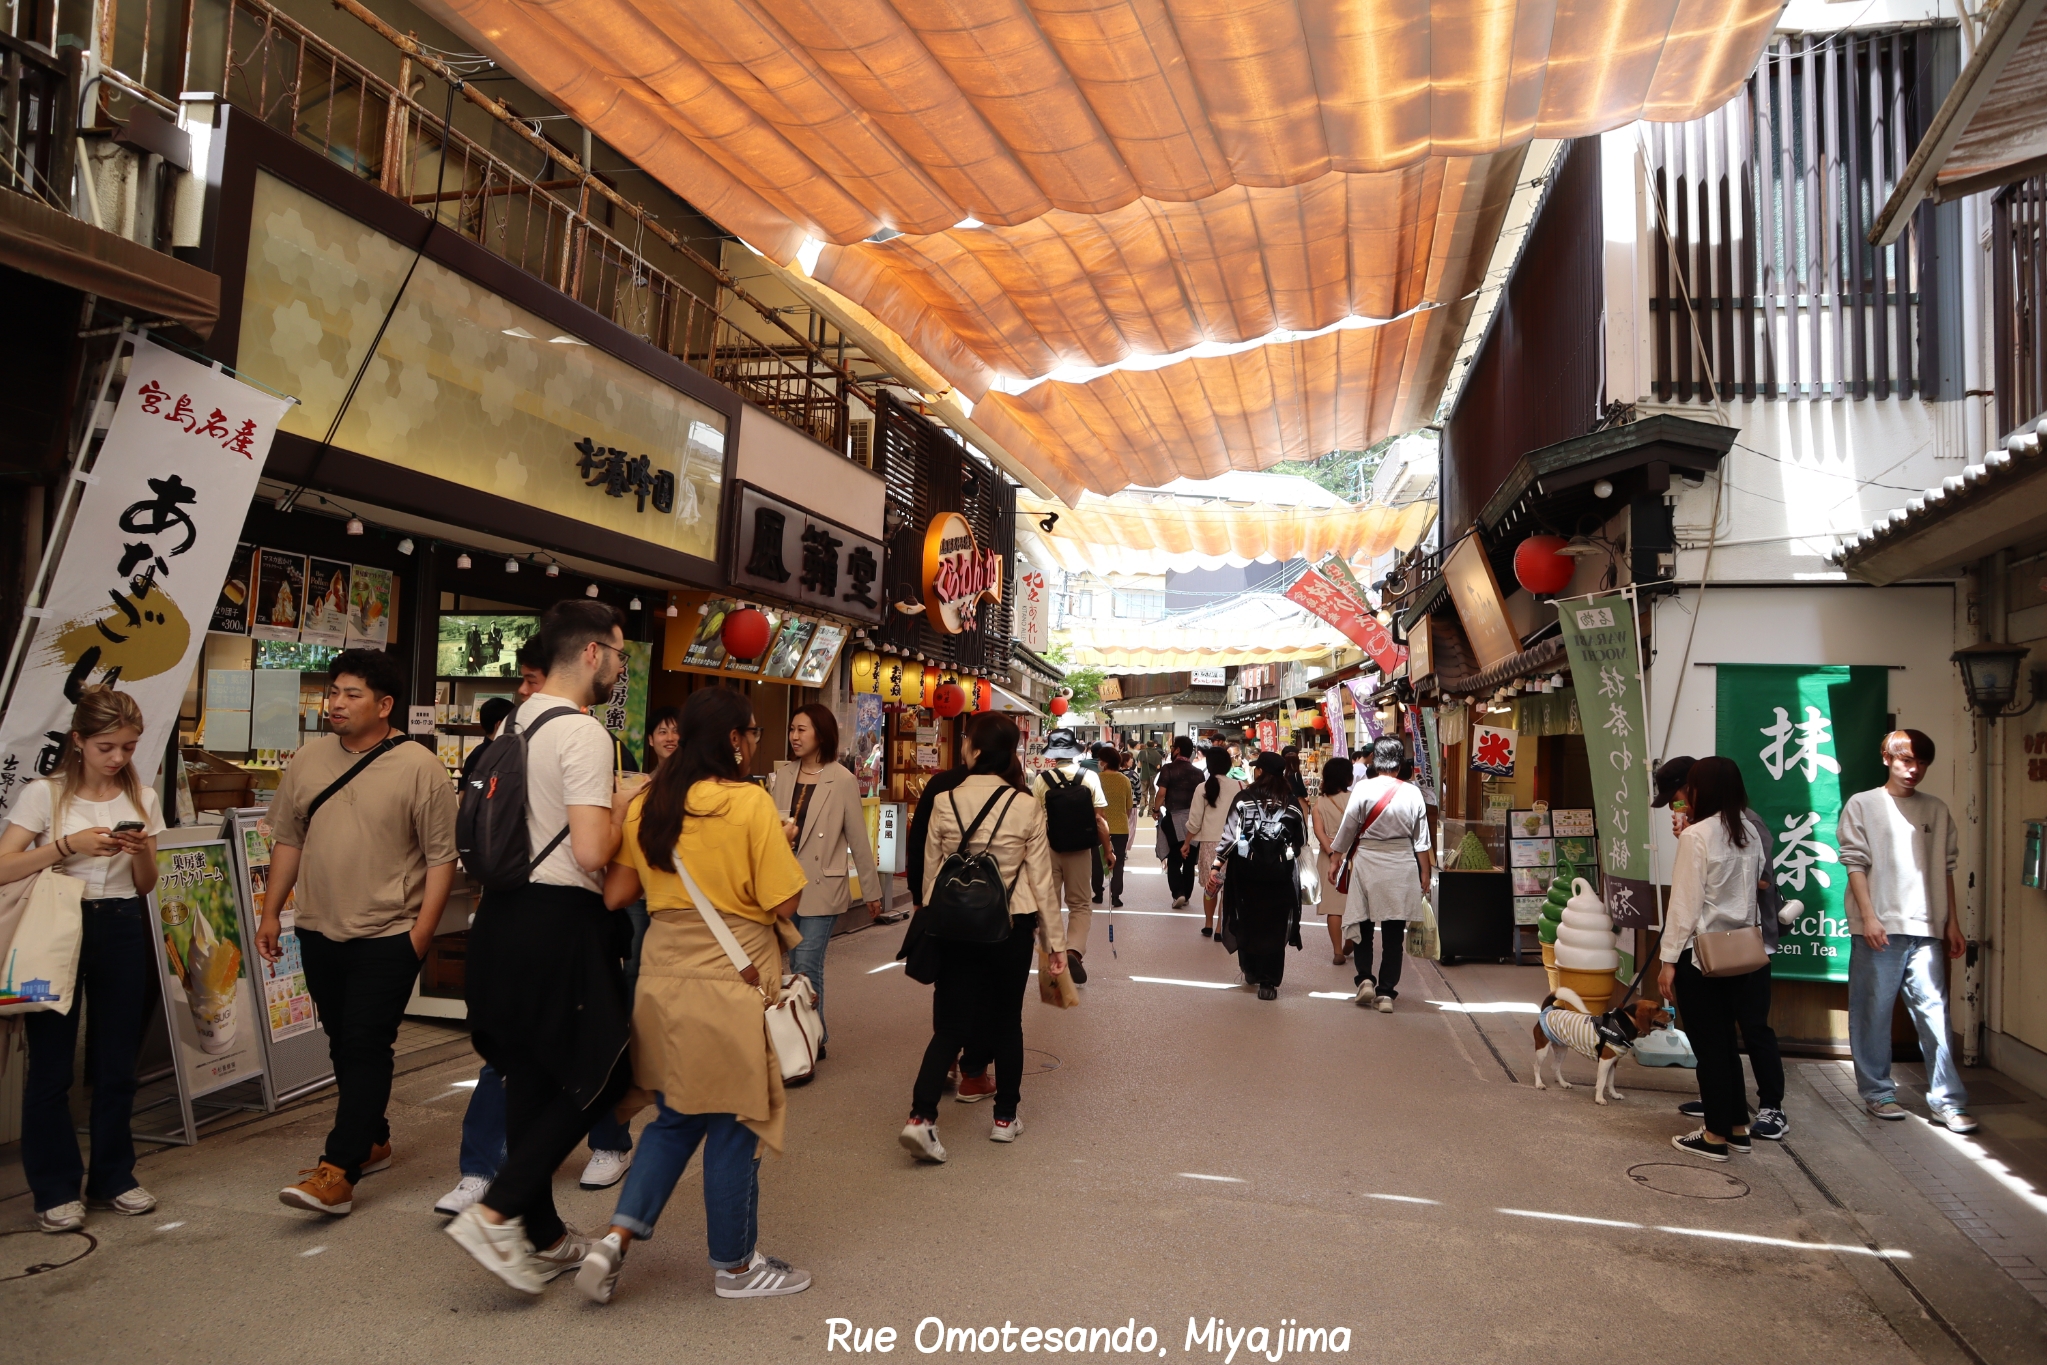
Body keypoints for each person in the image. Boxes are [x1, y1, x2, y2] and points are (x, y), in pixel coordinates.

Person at [574, 688, 813, 1304]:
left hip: (661, 977)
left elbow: (616, 895)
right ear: (733, 740)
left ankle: (615, 1239)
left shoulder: (649, 802)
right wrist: (775, 845)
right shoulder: (750, 803)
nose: (758, 742)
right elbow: (785, 902)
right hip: (732, 983)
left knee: (676, 1118)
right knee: (736, 1118)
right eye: (754, 733)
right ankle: (736, 1266)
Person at [445, 599, 634, 1293]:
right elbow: (590, 852)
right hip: (559, 924)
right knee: (606, 1071)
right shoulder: (584, 734)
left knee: (530, 1074)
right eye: (618, 656)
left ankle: (543, 1233)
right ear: (590, 655)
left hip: (498, 919)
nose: (619, 669)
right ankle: (496, 1212)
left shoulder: (515, 720)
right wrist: (626, 807)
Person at [260, 649, 457, 1216]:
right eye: (334, 692)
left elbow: (442, 859)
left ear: (384, 704)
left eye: (351, 694)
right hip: (319, 927)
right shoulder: (307, 760)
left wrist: (421, 935)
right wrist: (274, 913)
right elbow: (288, 840)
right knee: (344, 1041)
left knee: (367, 1042)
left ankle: (339, 1169)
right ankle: (373, 1139)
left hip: (389, 933)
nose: (336, 703)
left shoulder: (420, 766)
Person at [0, 686, 163, 1233]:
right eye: (107, 747)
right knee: (50, 1065)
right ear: (78, 741)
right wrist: (69, 846)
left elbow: (146, 886)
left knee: (117, 1063)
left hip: (120, 923)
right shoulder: (44, 795)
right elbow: (4, 867)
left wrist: (139, 854)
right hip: (55, 925)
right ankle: (53, 1187)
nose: (119, 758)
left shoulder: (142, 796)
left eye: (129, 747)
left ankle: (114, 1176)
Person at [900, 713, 1067, 1161]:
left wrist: (933, 923)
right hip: (1011, 925)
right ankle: (1004, 1119)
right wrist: (1056, 944)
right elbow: (1042, 880)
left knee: (950, 1024)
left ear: (973, 749)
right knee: (1006, 1022)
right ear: (1011, 753)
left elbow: (934, 876)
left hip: (955, 927)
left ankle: (920, 1118)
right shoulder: (1026, 805)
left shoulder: (943, 800)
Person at [1839, 729, 1975, 1133]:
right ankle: (1879, 1094)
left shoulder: (1936, 809)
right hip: (1877, 929)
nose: (1913, 770)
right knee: (1872, 1014)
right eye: (1905, 761)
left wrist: (1952, 921)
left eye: (1920, 763)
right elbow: (1854, 863)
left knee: (1935, 1016)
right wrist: (1869, 917)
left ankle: (1947, 1101)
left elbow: (1946, 868)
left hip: (1928, 927)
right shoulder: (1863, 804)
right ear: (1887, 758)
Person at [1653, 755, 1789, 1141]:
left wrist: (1667, 961)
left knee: (1711, 1044)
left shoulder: (1698, 836)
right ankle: (1737, 1126)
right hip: (1745, 951)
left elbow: (1684, 905)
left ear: (1703, 789)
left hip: (1702, 953)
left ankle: (1715, 1136)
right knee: (1730, 1040)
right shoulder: (1749, 830)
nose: (1686, 795)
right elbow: (1755, 892)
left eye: (1690, 786)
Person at [770, 703, 881, 1066]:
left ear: (821, 734)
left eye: (802, 730)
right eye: (792, 730)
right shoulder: (782, 775)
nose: (795, 737)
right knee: (791, 961)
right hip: (785, 885)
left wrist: (871, 891)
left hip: (823, 884)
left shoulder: (842, 779)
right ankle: (813, 1031)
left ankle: (812, 1036)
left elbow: (858, 839)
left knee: (806, 961)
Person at [1327, 737, 1432, 1013]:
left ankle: (1364, 980)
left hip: (1367, 862)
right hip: (1401, 864)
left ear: (1374, 761)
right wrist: (1426, 873)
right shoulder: (1412, 793)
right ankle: (1386, 993)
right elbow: (1421, 840)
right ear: (1400, 764)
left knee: (1362, 924)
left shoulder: (1363, 788)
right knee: (1393, 933)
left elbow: (1348, 828)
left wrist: (1336, 858)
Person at [1204, 752, 1307, 1000]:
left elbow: (1230, 836)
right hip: (1280, 873)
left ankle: (1250, 969)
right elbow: (1300, 839)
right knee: (1275, 922)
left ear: (1260, 771)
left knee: (1248, 918)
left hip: (1246, 871)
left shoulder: (1244, 799)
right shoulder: (1291, 802)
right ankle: (1268, 981)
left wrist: (1217, 865)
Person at [1031, 728, 1113, 984]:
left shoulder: (1041, 780)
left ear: (1052, 755)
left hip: (1048, 848)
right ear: (1075, 751)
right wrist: (1108, 851)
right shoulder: (1089, 776)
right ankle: (1074, 951)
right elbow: (1100, 820)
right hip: (1080, 849)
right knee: (1079, 903)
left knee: (1049, 905)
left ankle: (1051, 962)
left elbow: (1034, 820)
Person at [1182, 747, 1242, 938]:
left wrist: (1186, 842)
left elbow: (1195, 820)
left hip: (1209, 845)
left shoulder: (1203, 787)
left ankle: (1208, 924)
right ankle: (1220, 928)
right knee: (1228, 888)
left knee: (1212, 886)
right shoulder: (1240, 786)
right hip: (1233, 844)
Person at [1310, 758, 1353, 965]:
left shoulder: (1320, 803)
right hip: (1354, 856)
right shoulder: (1355, 799)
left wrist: (1331, 853)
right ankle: (1351, 942)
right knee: (1355, 904)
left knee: (1334, 907)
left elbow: (1319, 831)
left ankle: (1338, 951)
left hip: (1329, 858)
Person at [1154, 736, 1205, 908]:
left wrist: (1155, 809)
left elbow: (1161, 793)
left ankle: (1178, 893)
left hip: (1174, 817)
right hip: (1194, 820)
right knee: (1189, 861)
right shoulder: (1198, 773)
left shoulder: (1168, 769)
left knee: (1174, 858)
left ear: (1177, 750)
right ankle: (1187, 894)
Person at [1092, 748, 1133, 908]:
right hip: (1121, 828)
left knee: (1097, 861)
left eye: (1100, 760)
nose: (1099, 763)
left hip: (1098, 826)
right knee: (1119, 862)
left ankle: (1098, 893)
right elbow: (1129, 806)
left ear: (1105, 762)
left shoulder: (1096, 779)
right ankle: (1116, 896)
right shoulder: (1124, 780)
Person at [461, 697, 516, 784]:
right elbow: (464, 794)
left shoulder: (510, 752)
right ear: (500, 724)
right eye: (512, 722)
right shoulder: (478, 756)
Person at [644, 705, 680, 772]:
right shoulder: (648, 780)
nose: (670, 738)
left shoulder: (697, 779)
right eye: (663, 732)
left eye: (675, 731)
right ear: (651, 740)